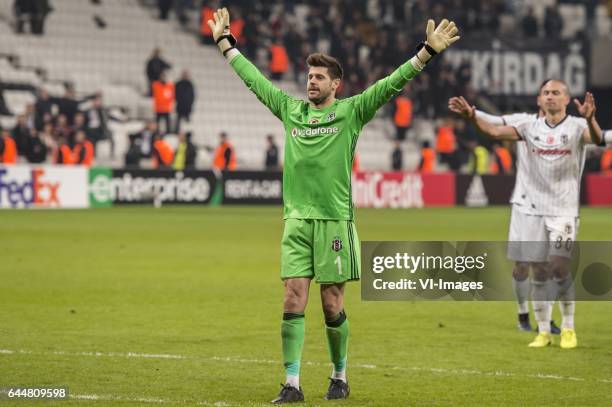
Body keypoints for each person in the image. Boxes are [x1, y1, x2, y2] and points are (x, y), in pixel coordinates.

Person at [208, 8, 459, 403]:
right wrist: (226, 45)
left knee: (331, 304)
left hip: (335, 222)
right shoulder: (290, 110)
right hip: (296, 221)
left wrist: (426, 52)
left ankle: (339, 376)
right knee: (293, 296)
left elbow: (392, 84)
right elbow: (255, 81)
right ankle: (291, 384)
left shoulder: (351, 112)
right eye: (309, 76)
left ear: (336, 85)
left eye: (319, 77)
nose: (311, 81)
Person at [449, 80, 602, 349]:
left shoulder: (577, 127)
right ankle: (543, 331)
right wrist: (472, 116)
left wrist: (590, 119)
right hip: (530, 210)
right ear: (539, 100)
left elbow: (598, 139)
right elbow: (495, 131)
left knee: (559, 267)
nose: (551, 97)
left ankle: (568, 327)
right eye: (546, 93)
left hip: (563, 211)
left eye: (556, 93)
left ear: (567, 99)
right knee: (539, 272)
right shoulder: (529, 126)